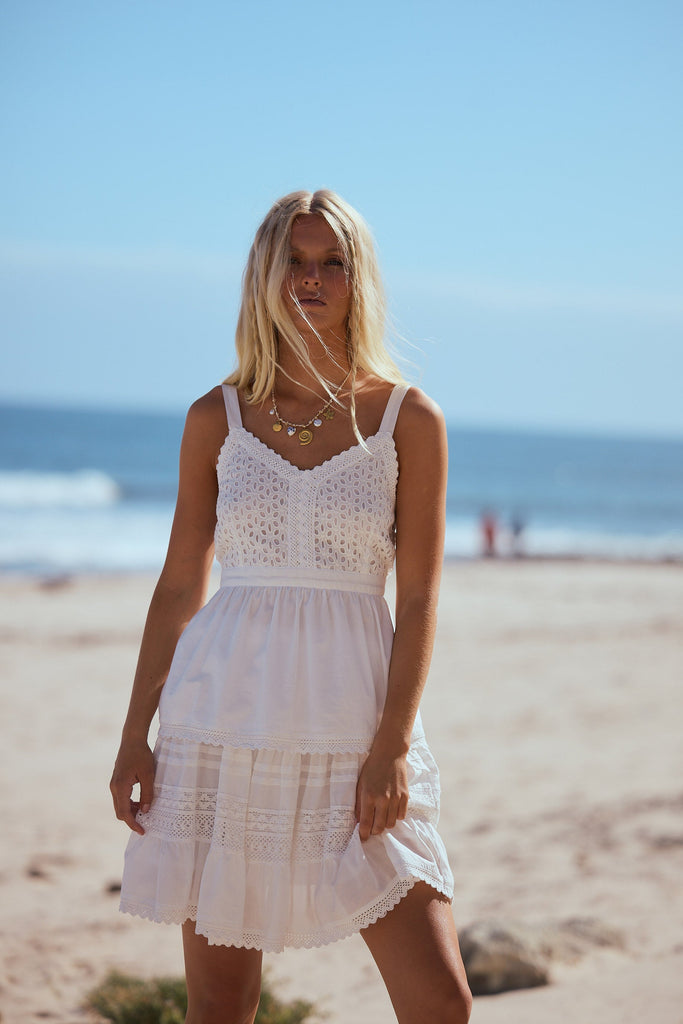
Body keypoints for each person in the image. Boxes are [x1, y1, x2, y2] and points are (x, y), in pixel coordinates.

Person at [110, 190, 472, 1024]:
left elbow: (417, 598)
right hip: (222, 723)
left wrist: (390, 742)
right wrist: (136, 735)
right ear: (264, 279)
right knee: (222, 1006)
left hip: (357, 730)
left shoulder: (407, 420)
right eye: (294, 263)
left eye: (331, 263)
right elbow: (177, 587)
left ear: (358, 278)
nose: (311, 280)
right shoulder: (216, 418)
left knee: (440, 1001)